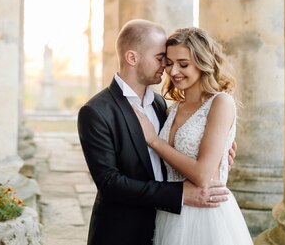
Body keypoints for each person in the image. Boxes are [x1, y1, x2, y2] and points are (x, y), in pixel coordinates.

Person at [77, 19, 234, 245]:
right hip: (123, 232)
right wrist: (179, 194)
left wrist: (219, 154)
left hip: (172, 225)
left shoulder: (162, 106)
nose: (167, 68)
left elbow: (180, 153)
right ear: (132, 58)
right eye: (162, 59)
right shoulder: (97, 111)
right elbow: (110, 183)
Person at [132, 27, 253, 245]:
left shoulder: (220, 103)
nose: (174, 71)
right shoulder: (172, 110)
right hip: (171, 212)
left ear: (202, 62)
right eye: (169, 63)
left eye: (183, 64)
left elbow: (203, 175)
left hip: (207, 216)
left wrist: (154, 140)